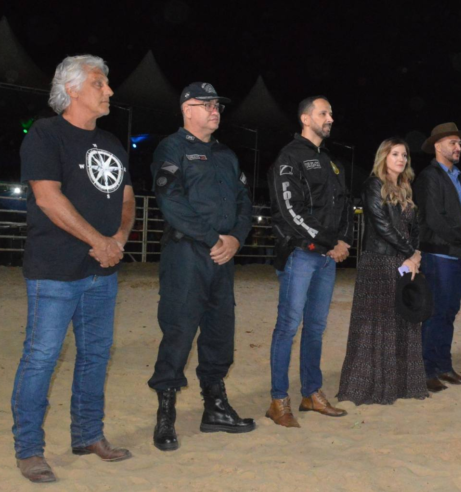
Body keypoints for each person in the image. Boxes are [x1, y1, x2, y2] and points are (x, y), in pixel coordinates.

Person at [11, 55, 135, 483]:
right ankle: (29, 450)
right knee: (41, 357)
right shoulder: (45, 135)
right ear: (73, 89)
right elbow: (47, 198)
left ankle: (87, 435)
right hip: (54, 271)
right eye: (100, 84)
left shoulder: (113, 144)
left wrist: (117, 239)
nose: (109, 91)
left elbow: (127, 198)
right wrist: (98, 242)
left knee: (96, 355)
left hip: (103, 270)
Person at [148, 82, 255, 451]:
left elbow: (244, 201)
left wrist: (236, 240)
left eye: (218, 105)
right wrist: (214, 239)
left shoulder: (226, 154)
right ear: (186, 109)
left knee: (219, 333)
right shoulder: (172, 148)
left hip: (223, 257)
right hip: (187, 255)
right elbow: (171, 201)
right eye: (206, 104)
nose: (215, 110)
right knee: (179, 331)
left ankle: (216, 408)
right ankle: (166, 414)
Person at [267, 96, 353, 427]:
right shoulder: (289, 157)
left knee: (316, 327)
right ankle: (278, 400)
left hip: (326, 258)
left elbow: (344, 207)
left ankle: (311, 393)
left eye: (331, 112)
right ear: (305, 119)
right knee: (288, 327)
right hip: (300, 254)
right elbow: (290, 211)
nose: (330, 118)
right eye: (323, 113)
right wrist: (329, 242)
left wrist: (340, 242)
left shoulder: (331, 162)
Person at [337, 138, 427, 405]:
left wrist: (416, 254)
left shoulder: (406, 188)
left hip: (403, 261)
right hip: (379, 261)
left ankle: (400, 385)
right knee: (377, 325)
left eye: (404, 155)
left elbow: (415, 227)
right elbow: (382, 225)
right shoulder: (373, 185)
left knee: (402, 320)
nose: (400, 159)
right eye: (394, 154)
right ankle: (371, 387)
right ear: (383, 157)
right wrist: (410, 252)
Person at [414, 122, 461, 392]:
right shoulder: (429, 177)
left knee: (449, 313)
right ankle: (427, 369)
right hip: (439, 255)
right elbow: (434, 218)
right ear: (437, 146)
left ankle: (443, 366)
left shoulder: (460, 177)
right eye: (453, 143)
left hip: (457, 255)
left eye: (459, 143)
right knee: (435, 313)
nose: (458, 147)